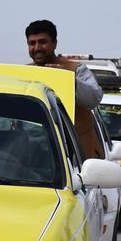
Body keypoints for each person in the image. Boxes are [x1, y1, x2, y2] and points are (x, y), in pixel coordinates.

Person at [24, 19, 104, 159]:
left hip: (76, 157)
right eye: (32, 43)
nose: (37, 48)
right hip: (35, 156)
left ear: (55, 43)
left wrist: (67, 79)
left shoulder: (76, 70)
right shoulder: (24, 73)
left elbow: (94, 98)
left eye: (42, 42)